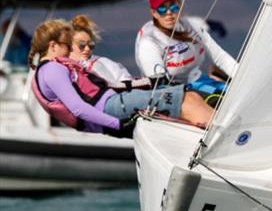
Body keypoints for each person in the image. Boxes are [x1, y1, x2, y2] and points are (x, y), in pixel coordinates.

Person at [29, 19, 213, 137]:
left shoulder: (48, 70)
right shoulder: (52, 69)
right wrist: (117, 124)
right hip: (112, 107)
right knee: (187, 101)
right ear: (52, 46)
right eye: (67, 45)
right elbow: (77, 108)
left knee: (191, 96)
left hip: (113, 104)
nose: (70, 50)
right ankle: (227, 140)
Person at [135, 0, 237, 86]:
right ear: (154, 13)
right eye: (162, 9)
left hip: (197, 79)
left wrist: (242, 77)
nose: (169, 13)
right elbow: (159, 83)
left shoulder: (193, 26)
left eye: (174, 7)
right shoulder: (149, 41)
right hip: (171, 91)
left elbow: (220, 57)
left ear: (180, 7)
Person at [69, 15, 136, 84]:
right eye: (82, 45)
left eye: (91, 45)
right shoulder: (61, 67)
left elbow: (126, 80)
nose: (87, 48)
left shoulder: (102, 62)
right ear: (69, 45)